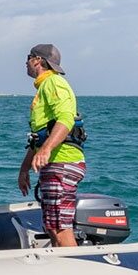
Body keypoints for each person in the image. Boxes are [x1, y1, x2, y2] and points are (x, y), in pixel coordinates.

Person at [17, 44, 87, 248]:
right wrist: (24, 169)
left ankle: (75, 272)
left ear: (38, 60)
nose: (26, 62)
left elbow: (66, 119)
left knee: (59, 226)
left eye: (28, 57)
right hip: (54, 164)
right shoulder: (43, 88)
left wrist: (47, 149)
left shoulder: (54, 83)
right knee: (52, 226)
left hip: (63, 162)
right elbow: (39, 137)